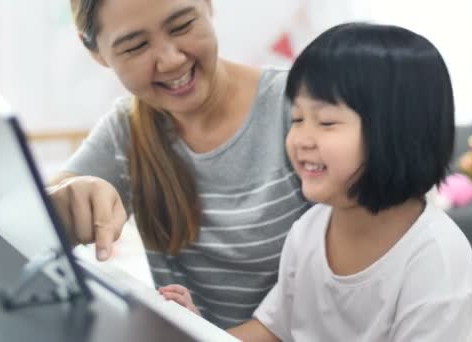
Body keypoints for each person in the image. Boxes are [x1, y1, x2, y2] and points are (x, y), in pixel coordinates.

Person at [161, 22, 472, 341]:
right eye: (297, 119)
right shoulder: (310, 229)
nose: (301, 138)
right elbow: (274, 329)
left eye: (326, 121)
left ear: (397, 133)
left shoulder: (436, 264)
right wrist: (198, 333)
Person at [48, 0, 309, 328]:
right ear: (97, 54)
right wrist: (64, 203)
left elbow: (345, 292)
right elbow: (34, 216)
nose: (171, 60)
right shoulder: (126, 131)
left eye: (183, 25)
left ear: (208, 7)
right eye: (136, 46)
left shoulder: (301, 109)